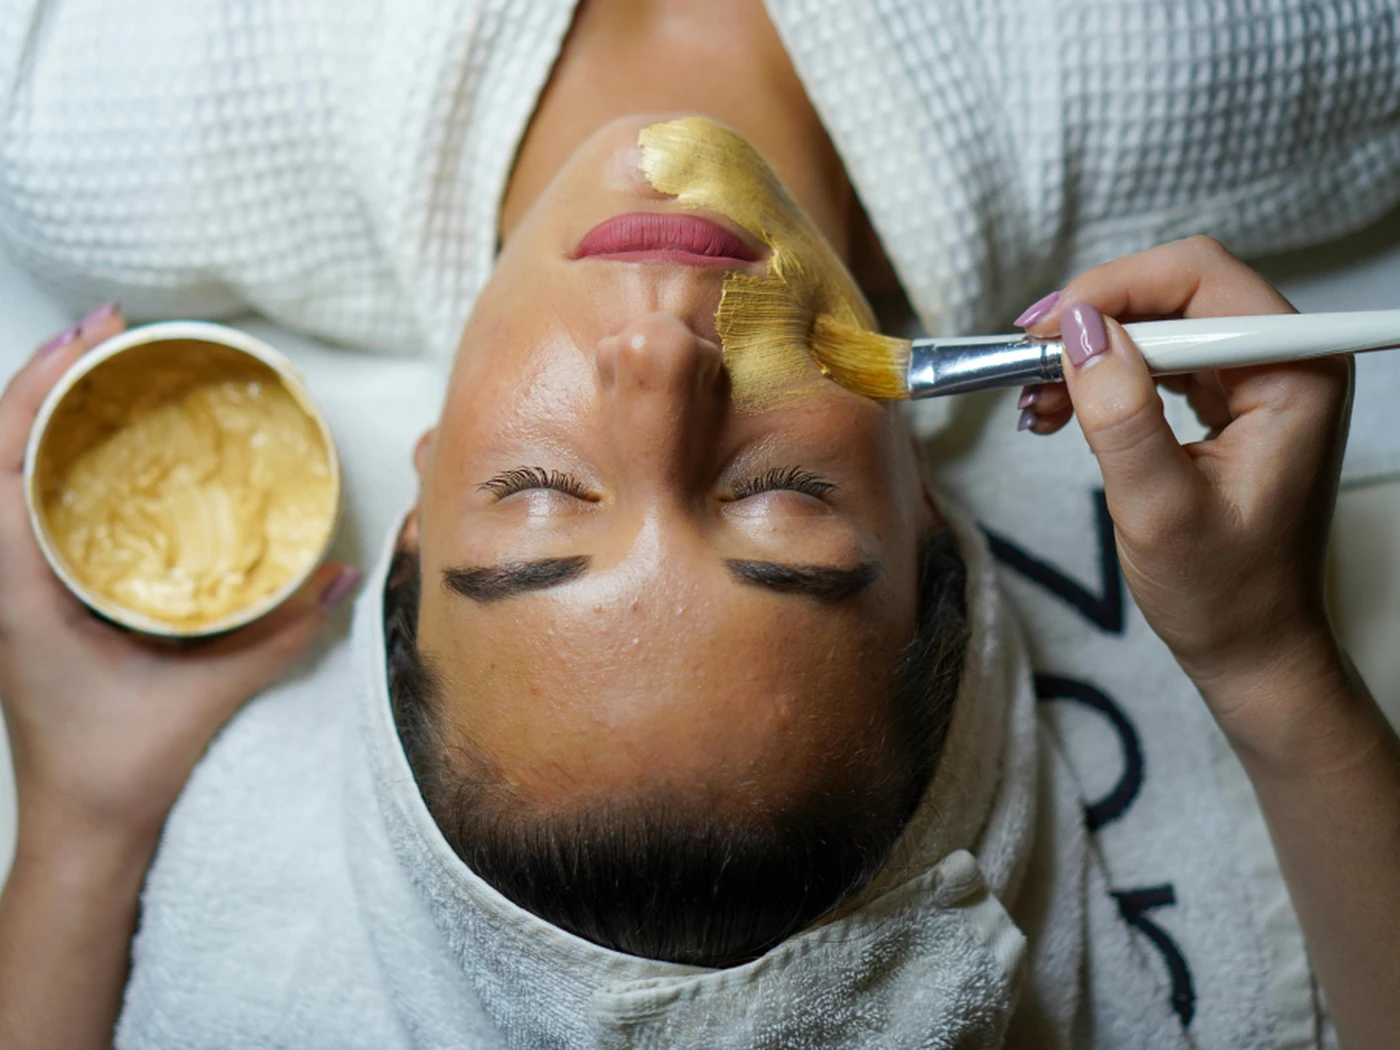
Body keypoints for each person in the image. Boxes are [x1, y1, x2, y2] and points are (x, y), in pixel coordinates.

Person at [1, 2, 1399, 1047]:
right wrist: (1267, 658)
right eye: (779, 497)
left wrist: (77, 814)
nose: (662, 367)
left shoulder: (86, 116)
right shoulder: (1259, 63)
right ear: (931, 507)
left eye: (541, 491)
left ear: (420, 497)